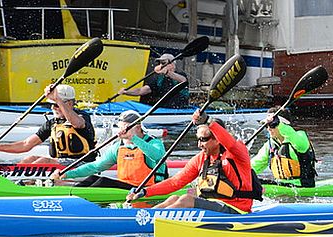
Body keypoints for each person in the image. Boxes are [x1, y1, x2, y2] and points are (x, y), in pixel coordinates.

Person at [126, 110, 262, 214]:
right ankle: (145, 218)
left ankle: (154, 221)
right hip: (212, 205)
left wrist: (208, 121)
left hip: (237, 210)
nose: (199, 144)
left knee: (186, 199)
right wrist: (145, 192)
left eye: (203, 139)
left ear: (217, 139)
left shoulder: (236, 153)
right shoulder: (201, 158)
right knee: (173, 199)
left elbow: (229, 142)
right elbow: (175, 182)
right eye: (198, 139)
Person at [51, 110, 167, 189]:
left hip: (148, 188)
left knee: (102, 182)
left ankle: (75, 195)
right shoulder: (119, 146)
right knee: (93, 178)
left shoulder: (154, 143)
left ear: (137, 127)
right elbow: (95, 166)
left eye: (125, 127)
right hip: (126, 187)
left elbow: (157, 156)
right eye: (120, 127)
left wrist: (133, 138)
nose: (122, 131)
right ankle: (70, 193)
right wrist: (67, 174)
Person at [0, 84, 96, 164]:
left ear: (70, 103)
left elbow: (76, 123)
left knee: (44, 161)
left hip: (83, 163)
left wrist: (58, 99)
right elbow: (25, 144)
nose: (53, 108)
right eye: (52, 104)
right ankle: (15, 182)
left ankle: (26, 183)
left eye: (56, 104)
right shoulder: (52, 124)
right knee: (30, 159)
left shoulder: (82, 116)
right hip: (61, 163)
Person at [251, 106, 317, 187]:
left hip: (302, 186)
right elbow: (254, 165)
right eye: (266, 125)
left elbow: (300, 144)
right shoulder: (270, 145)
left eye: (272, 125)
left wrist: (279, 125)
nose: (268, 129)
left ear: (283, 124)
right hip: (281, 185)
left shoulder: (300, 136)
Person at [118, 53, 189, 108]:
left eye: (163, 63)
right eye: (160, 63)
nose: (161, 65)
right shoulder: (159, 79)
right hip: (163, 110)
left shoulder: (181, 75)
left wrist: (167, 72)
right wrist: (126, 92)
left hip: (180, 109)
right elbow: (141, 90)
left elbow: (183, 80)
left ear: (172, 65)